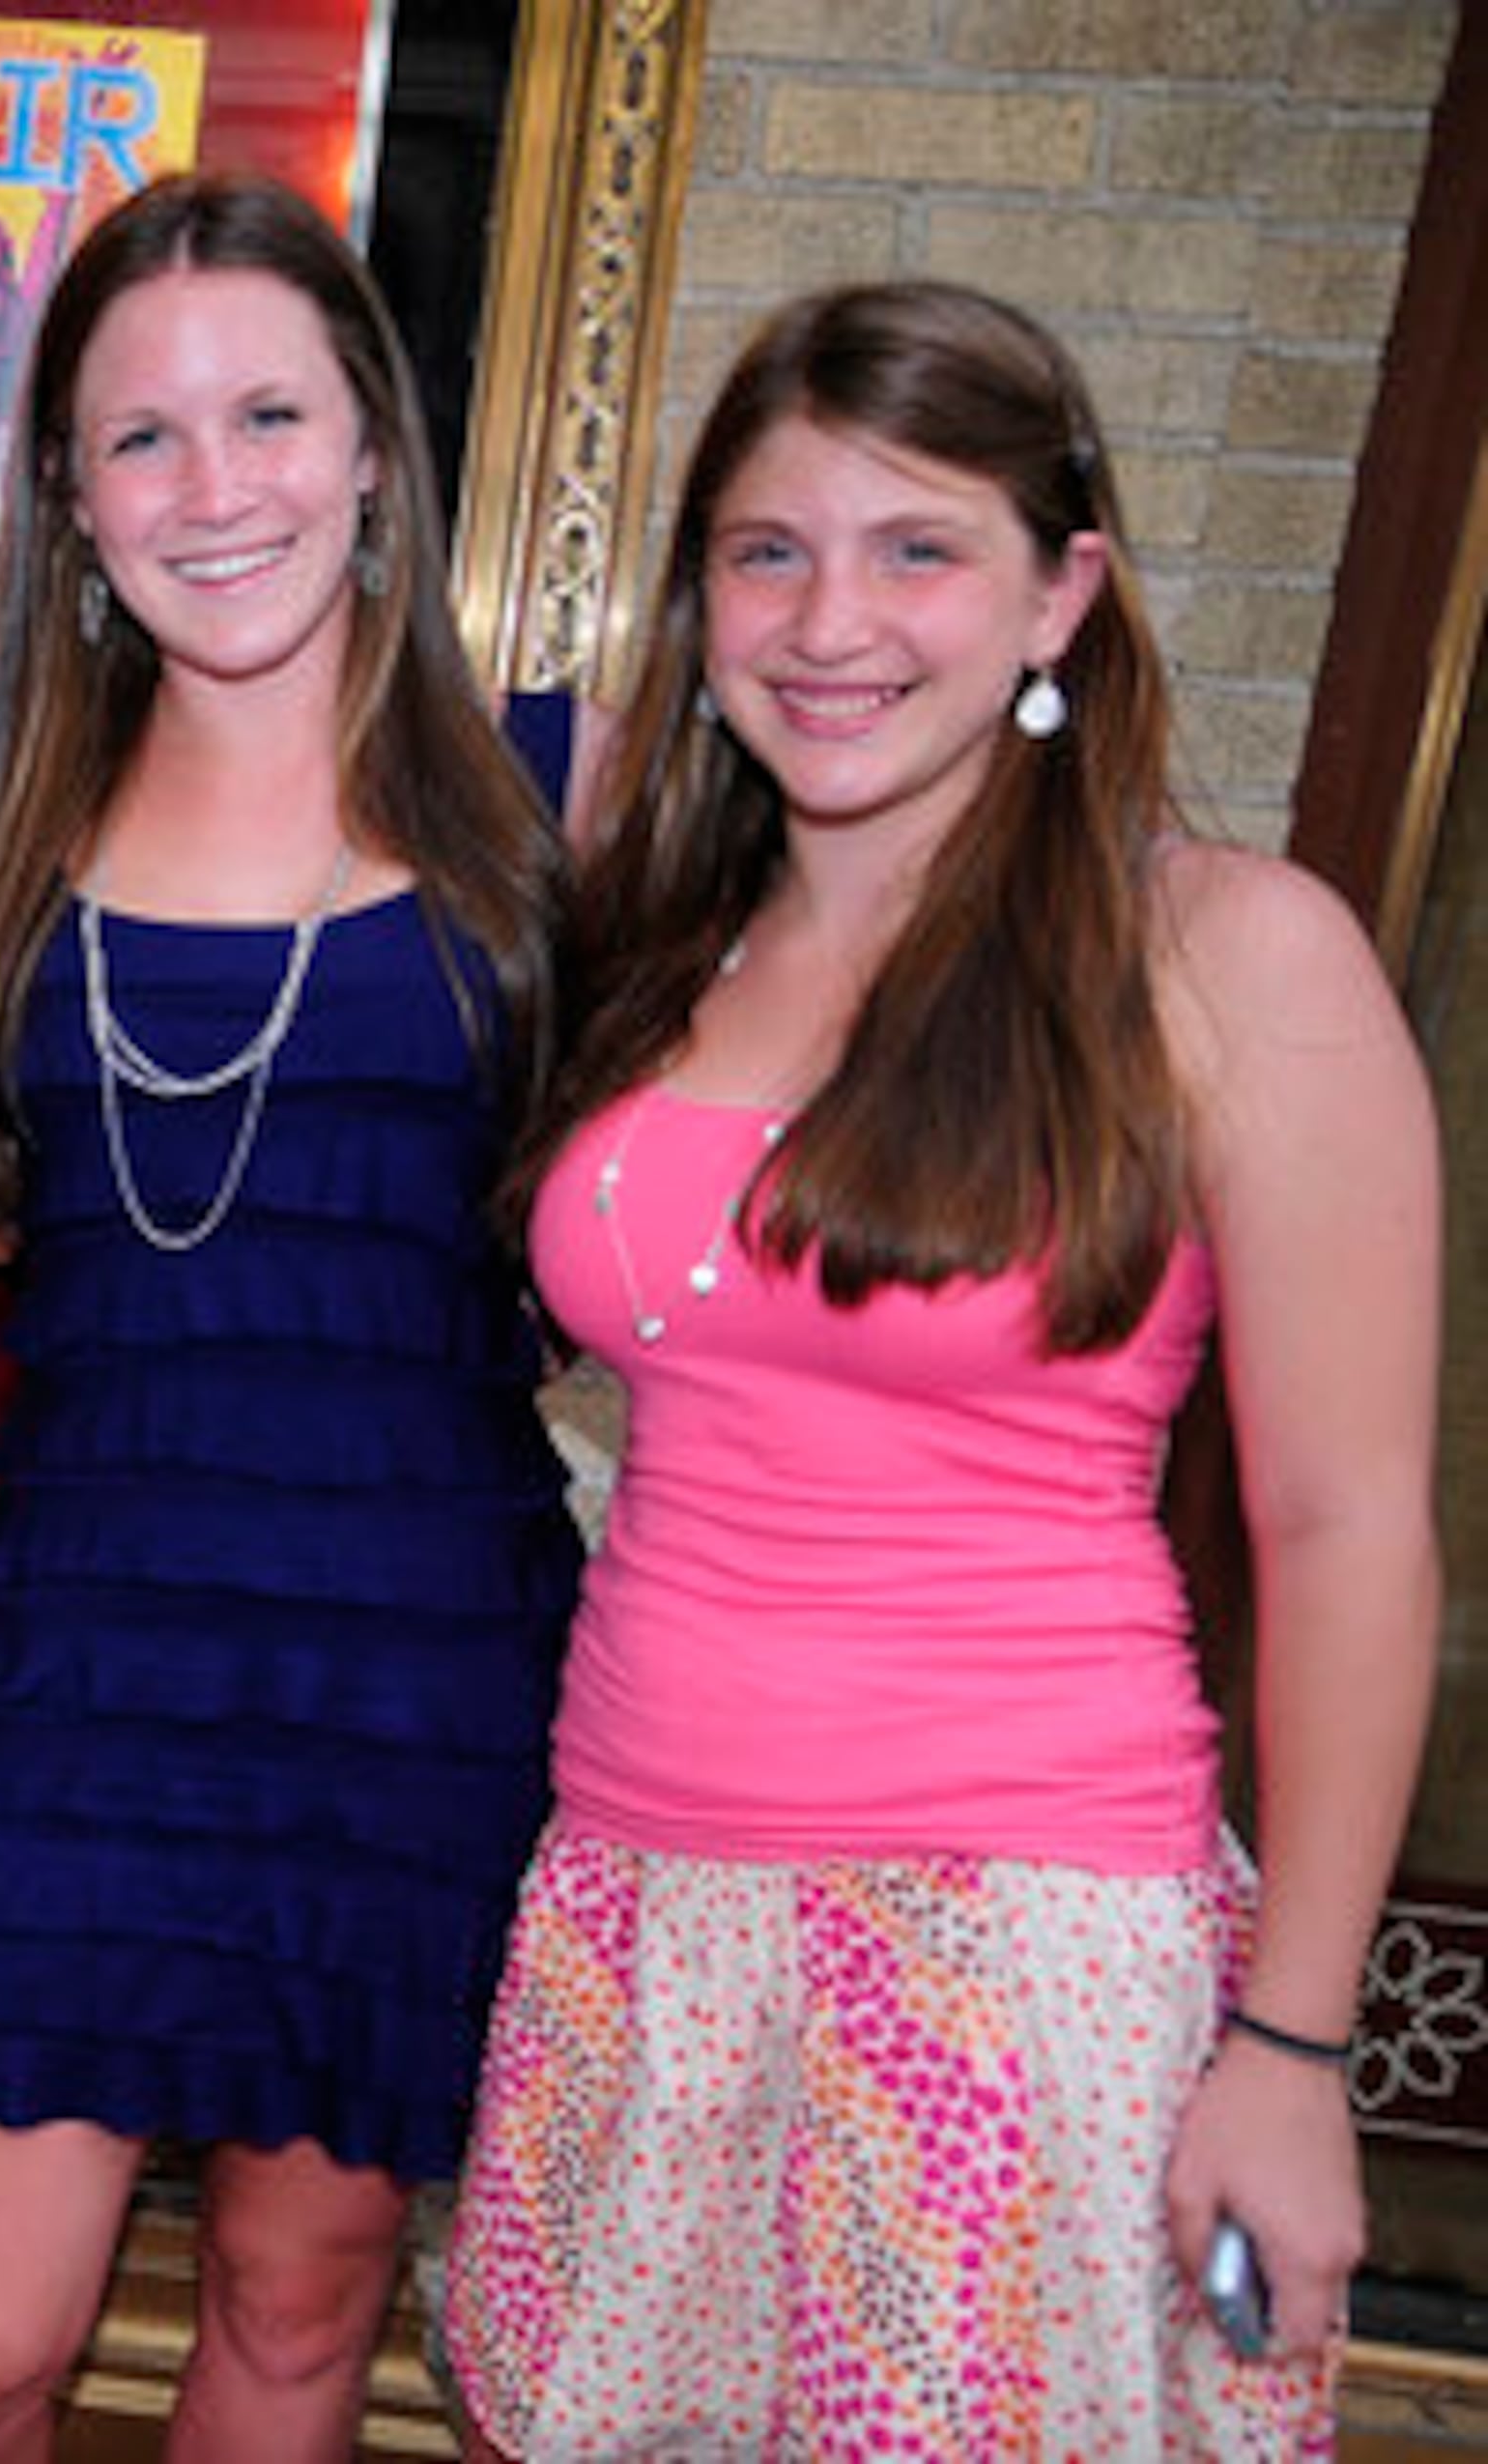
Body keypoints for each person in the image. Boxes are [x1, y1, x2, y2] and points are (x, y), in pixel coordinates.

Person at [442, 280, 1440, 2457]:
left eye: (920, 551)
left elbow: (1349, 1528)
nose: (831, 622)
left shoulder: (1226, 958)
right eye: (768, 552)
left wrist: (1291, 2053)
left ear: (1060, 593)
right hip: (631, 1905)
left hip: (1006, 1949)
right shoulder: (660, 941)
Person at [0, 172, 580, 2460]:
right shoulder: (9, 826)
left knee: (297, 2312)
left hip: (418, 1683)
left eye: (267, 411)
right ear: (68, 497)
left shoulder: (566, 806)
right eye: (140, 437)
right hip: (88, 1675)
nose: (213, 485)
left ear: (373, 441)